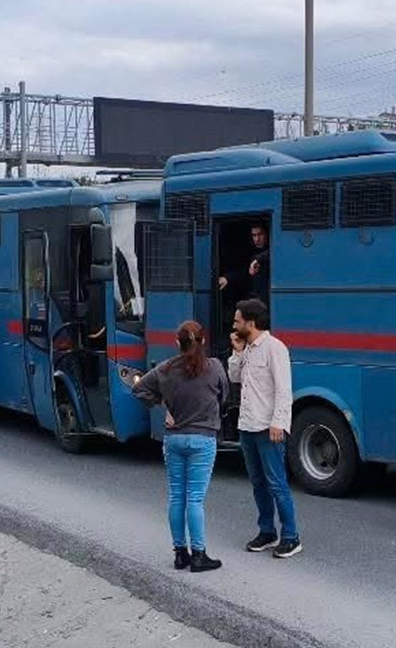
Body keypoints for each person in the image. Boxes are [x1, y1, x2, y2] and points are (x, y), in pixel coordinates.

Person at [132, 320, 228, 573]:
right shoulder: (215, 367)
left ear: (177, 343)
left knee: (177, 496)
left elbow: (139, 389)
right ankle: (199, 555)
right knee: (195, 498)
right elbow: (224, 395)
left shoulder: (165, 369)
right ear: (203, 341)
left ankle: (179, 554)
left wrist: (163, 404)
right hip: (203, 438)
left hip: (174, 439)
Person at [228, 298, 301, 559]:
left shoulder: (274, 348)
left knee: (277, 483)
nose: (234, 325)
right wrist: (236, 353)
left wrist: (278, 423)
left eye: (237, 321)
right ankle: (267, 531)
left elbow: (283, 390)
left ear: (250, 322)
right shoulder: (247, 349)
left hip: (268, 428)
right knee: (258, 483)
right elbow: (235, 378)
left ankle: (291, 536)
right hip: (247, 425)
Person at [218, 224, 270, 300]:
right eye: (254, 235)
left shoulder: (271, 249)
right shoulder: (250, 252)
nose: (257, 239)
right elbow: (242, 271)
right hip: (254, 296)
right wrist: (227, 278)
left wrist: (258, 259)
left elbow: (275, 251)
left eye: (260, 234)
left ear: (266, 235)